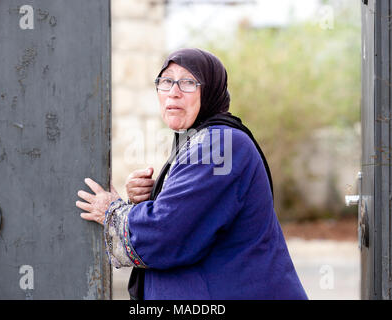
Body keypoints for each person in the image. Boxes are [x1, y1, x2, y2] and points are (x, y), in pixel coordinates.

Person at [76, 48, 308, 300]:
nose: (173, 92)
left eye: (188, 82)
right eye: (166, 81)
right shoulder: (201, 141)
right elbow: (189, 216)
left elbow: (165, 234)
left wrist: (112, 211)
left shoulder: (221, 144)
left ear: (209, 91)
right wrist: (145, 200)